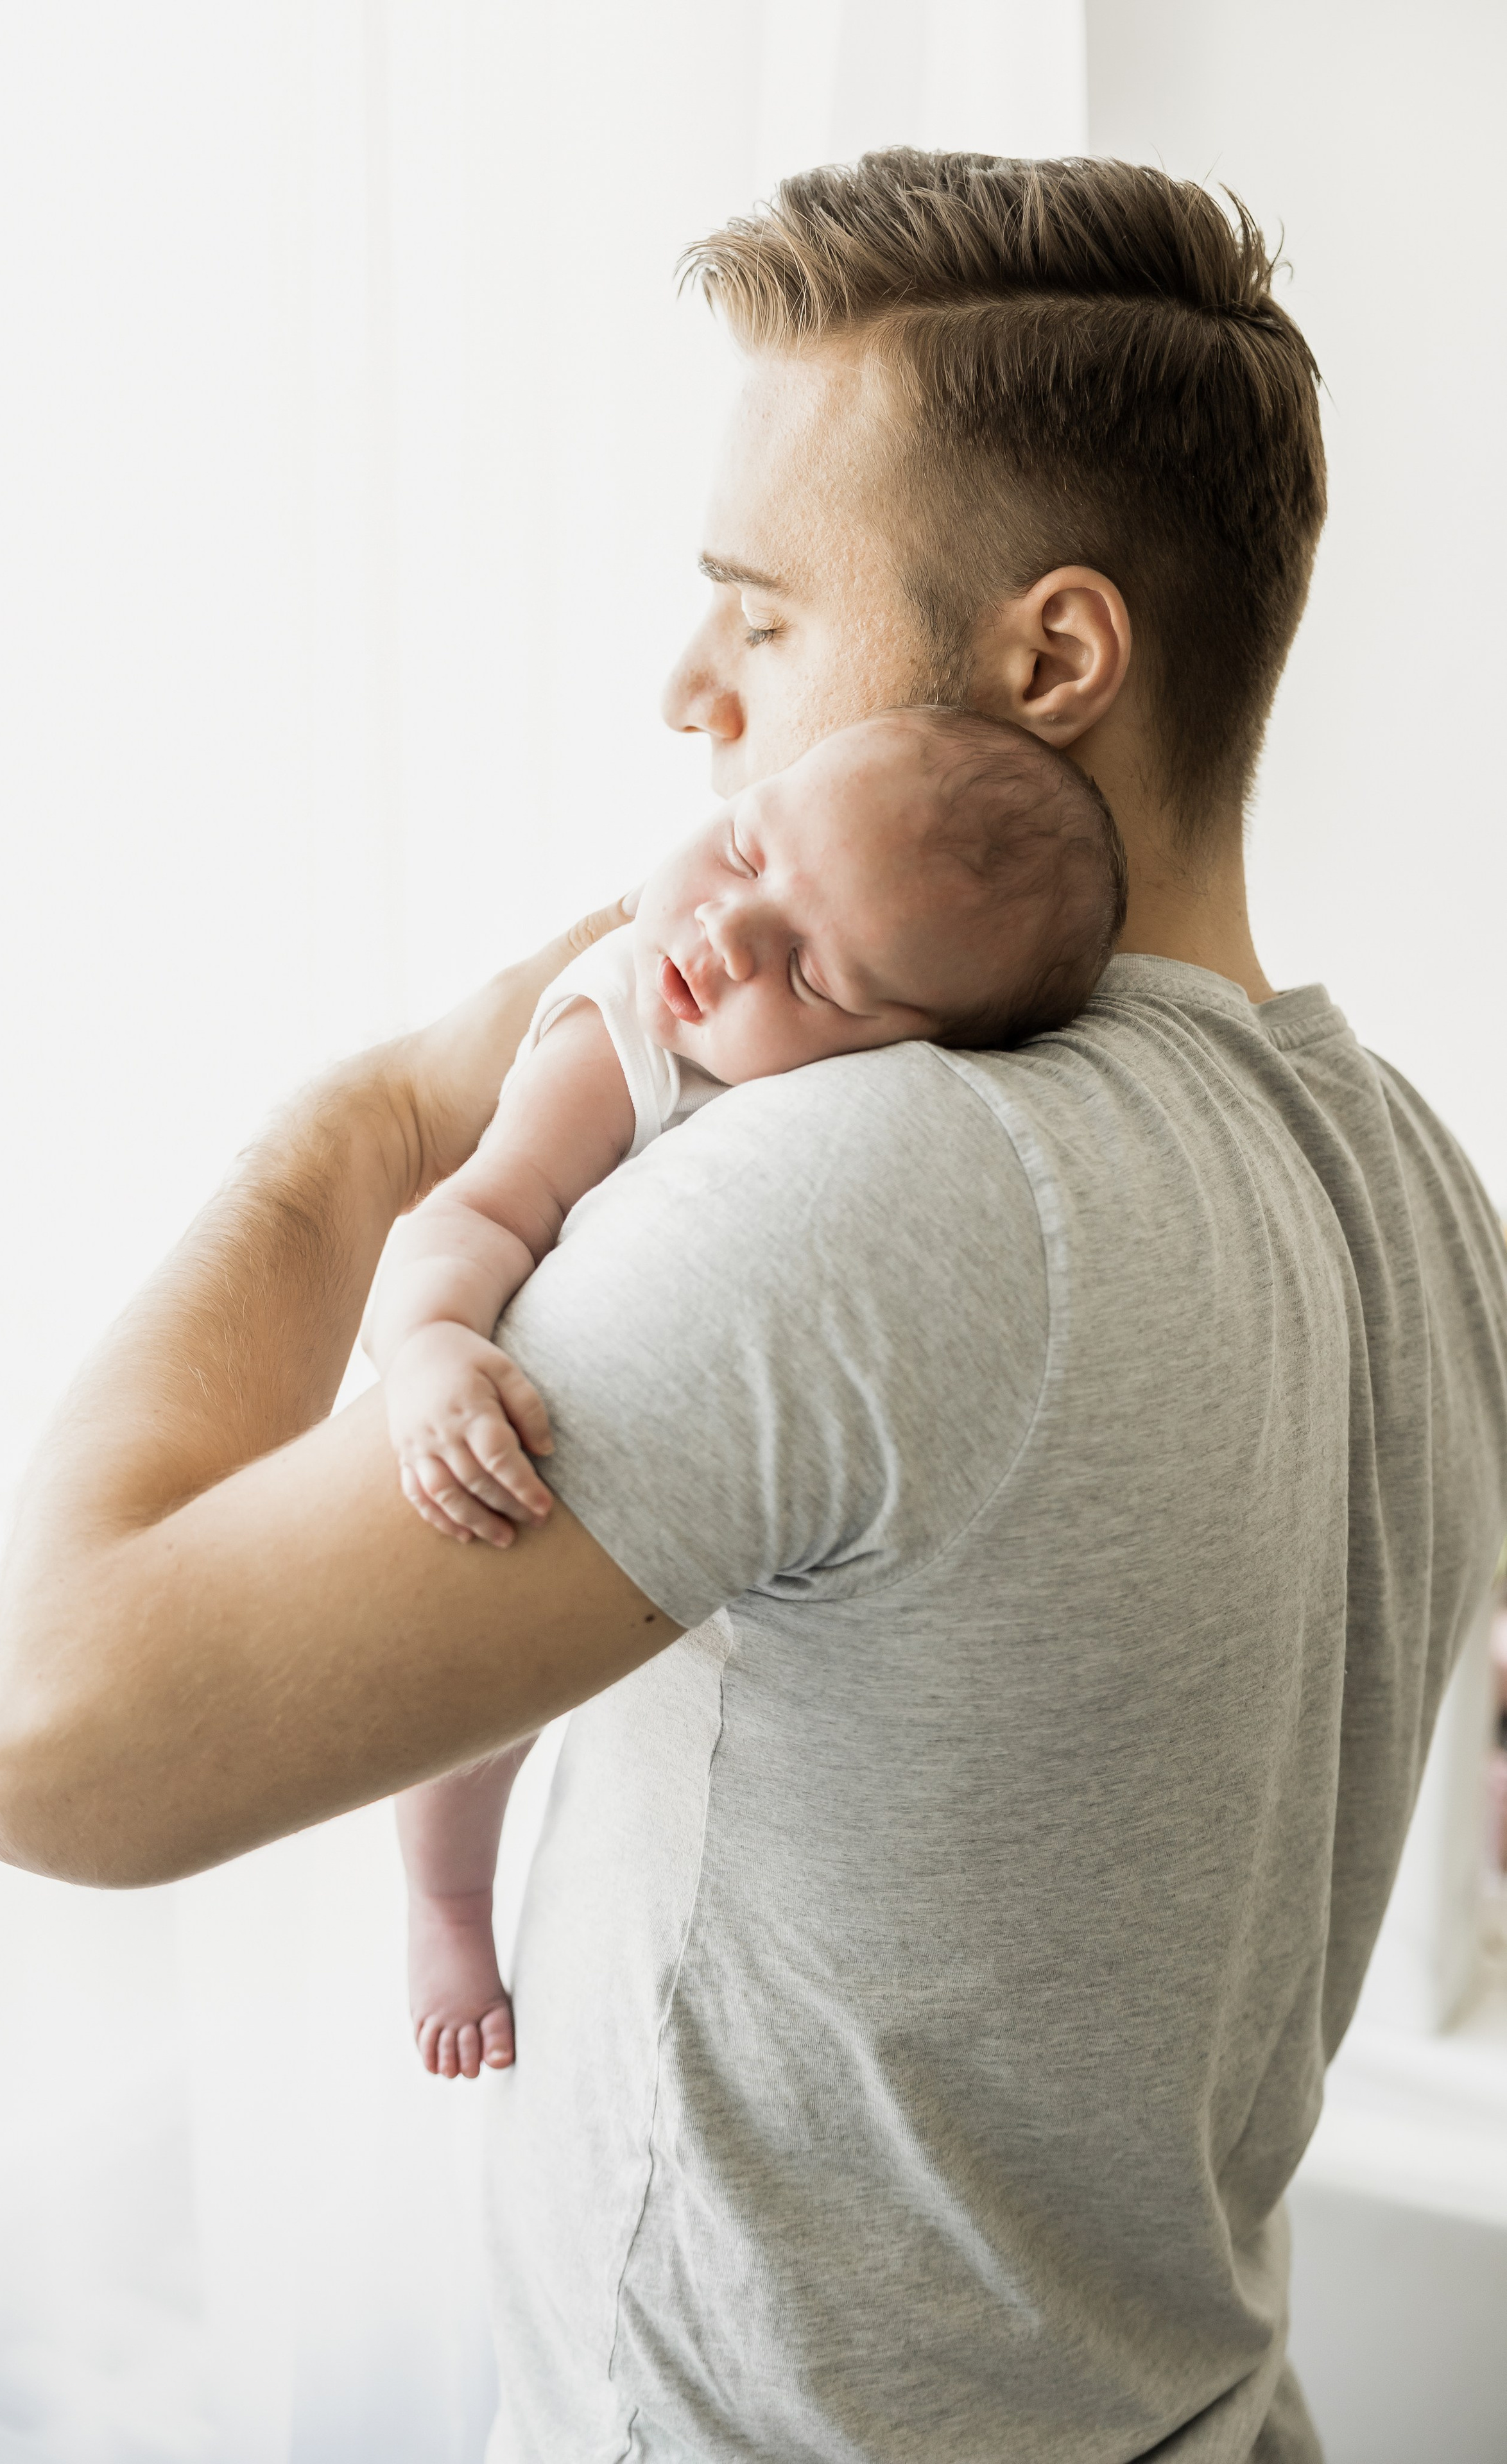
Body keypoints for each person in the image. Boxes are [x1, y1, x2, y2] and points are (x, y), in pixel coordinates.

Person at [0, 153, 1507, 2464]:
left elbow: (50, 1748)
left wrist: (390, 1104)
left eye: (760, 618)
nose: (693, 695)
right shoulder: (1414, 1179)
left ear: (1054, 660)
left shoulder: (881, 1186)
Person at [368, 707, 1126, 2078]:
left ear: (913, 1046)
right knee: (472, 1730)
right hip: (490, 1429)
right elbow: (463, 1215)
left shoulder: (871, 1107)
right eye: (739, 848)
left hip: (674, 1513)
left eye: (813, 977)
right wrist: (427, 1350)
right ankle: (443, 1902)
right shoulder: (622, 1042)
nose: (722, 934)